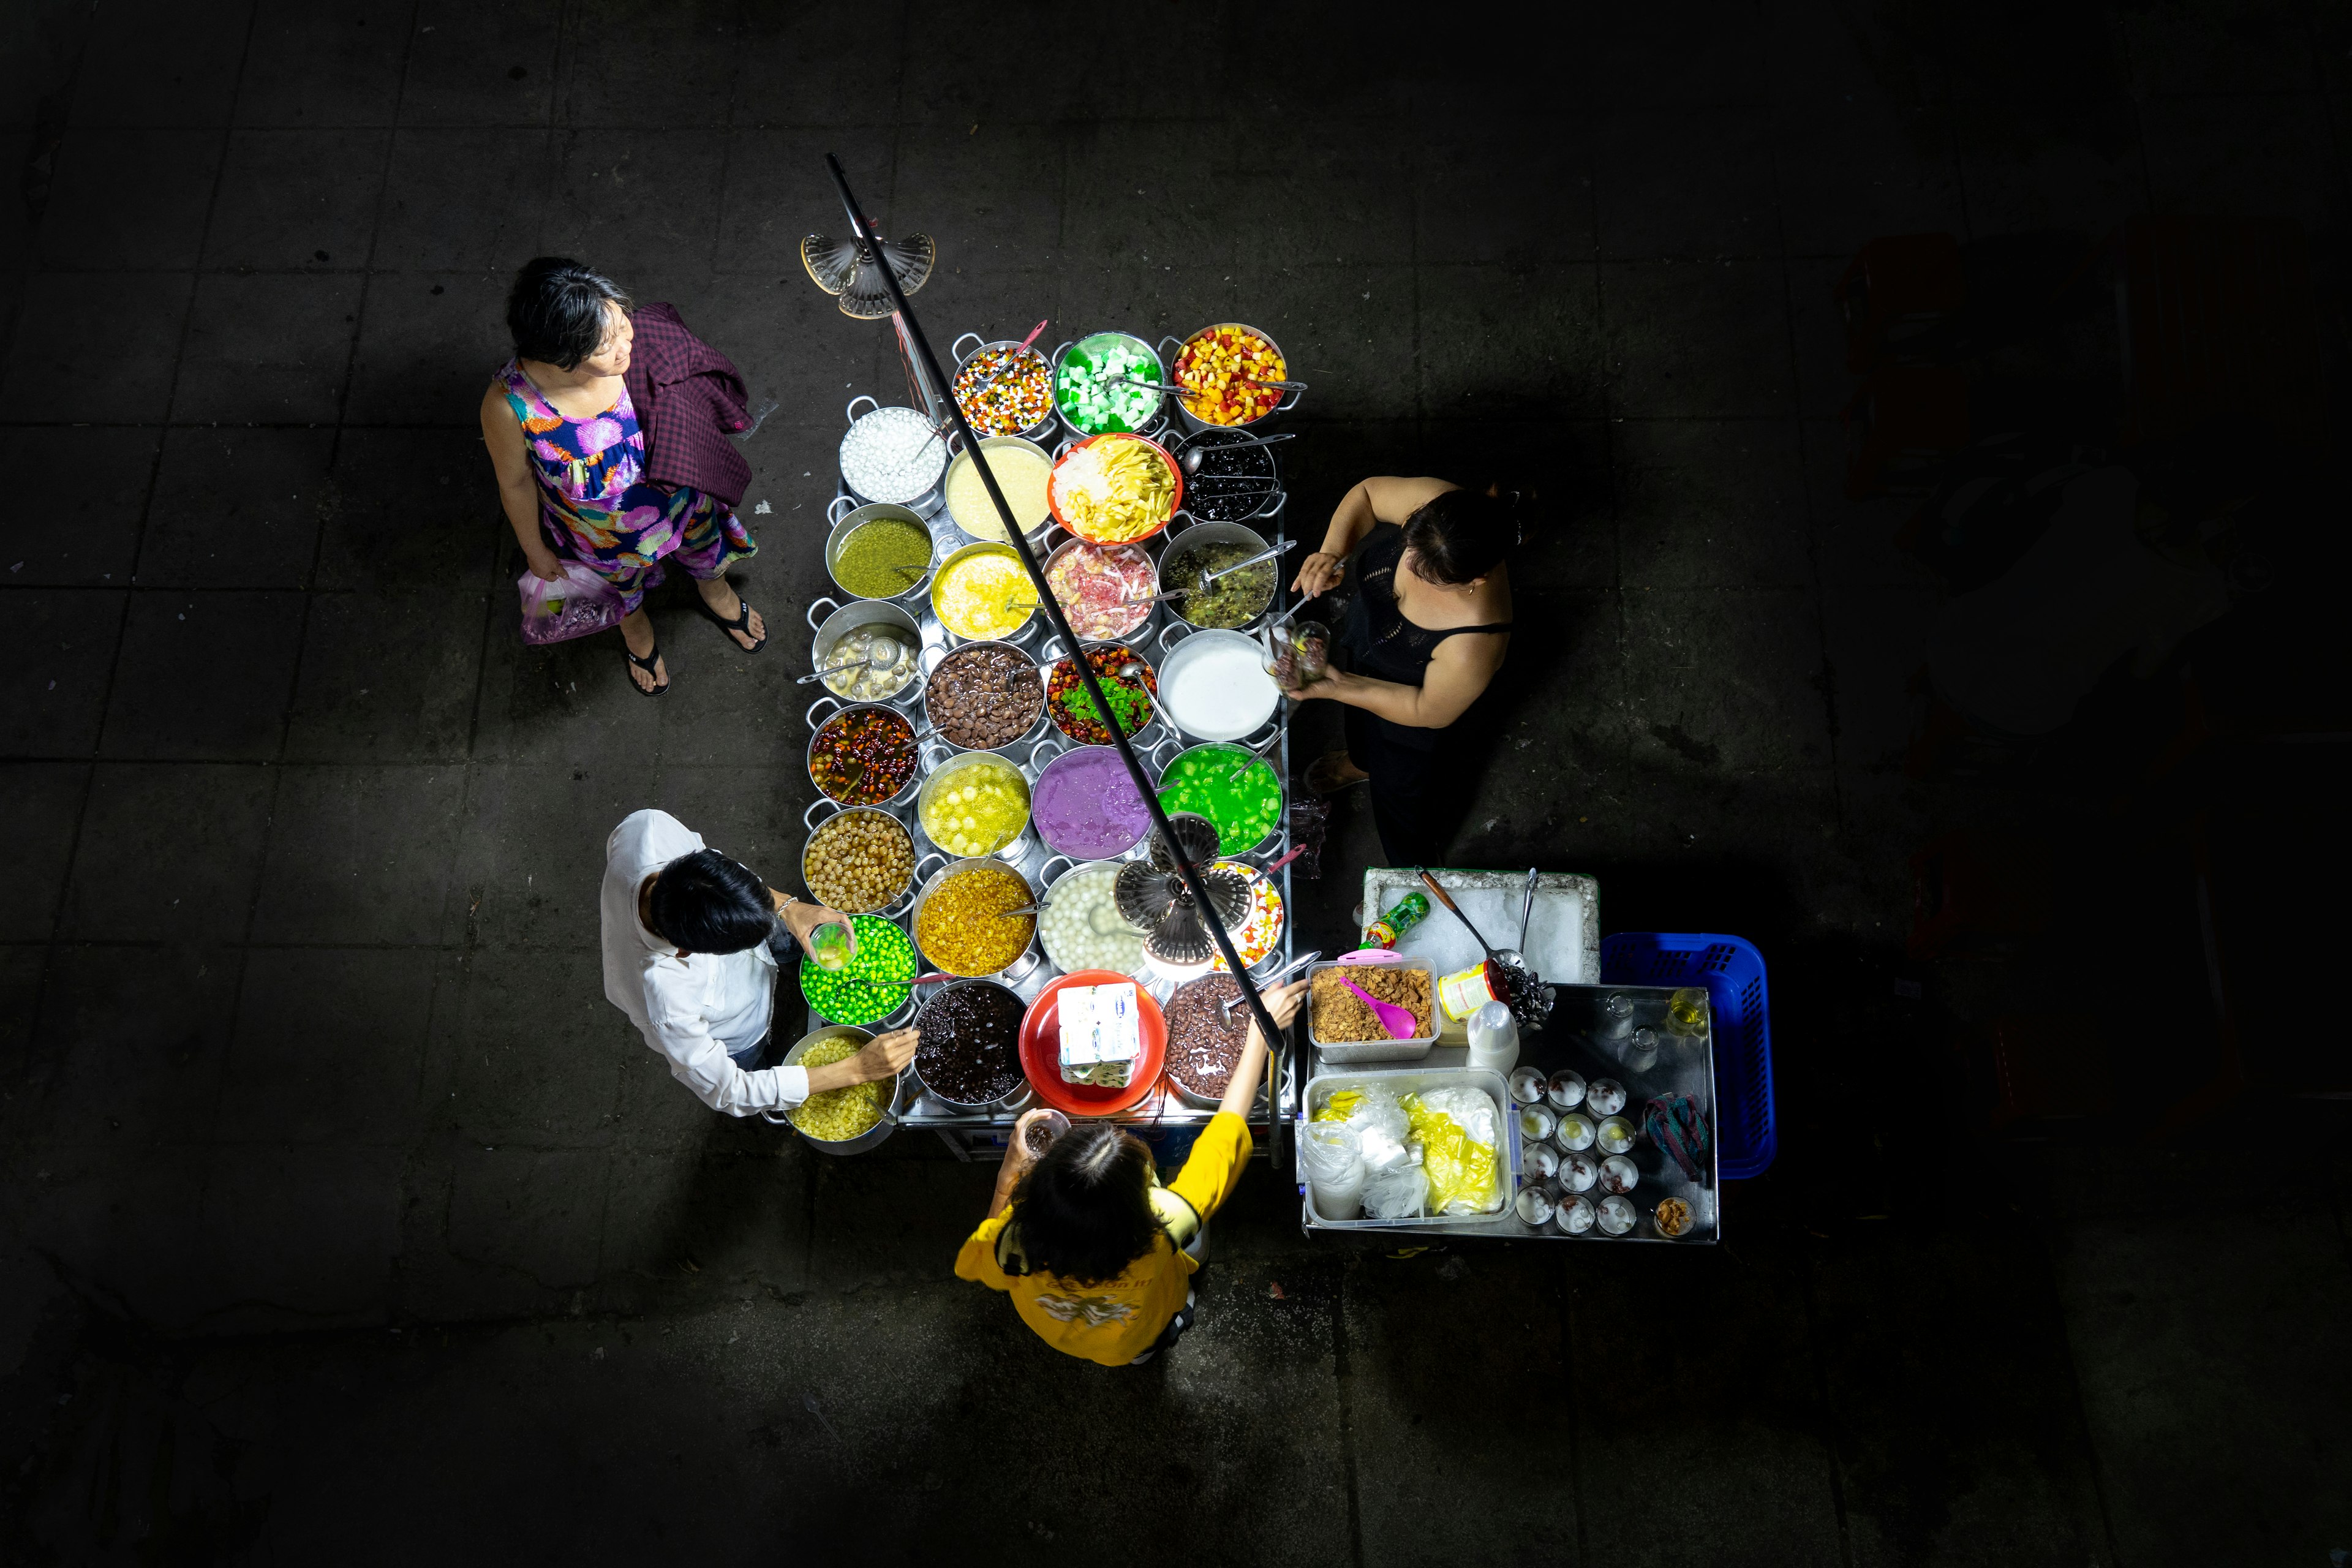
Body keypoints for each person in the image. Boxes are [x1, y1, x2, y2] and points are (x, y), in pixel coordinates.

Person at [955, 981, 1307, 1367]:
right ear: (1146, 1202)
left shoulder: (1014, 1237)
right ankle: (1153, 1345)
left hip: (1059, 1333)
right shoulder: (1169, 1223)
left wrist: (1008, 1175)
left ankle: (1142, 1353)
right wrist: (1260, 1029)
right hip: (1138, 1329)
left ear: (1039, 1187)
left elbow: (978, 1266)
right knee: (1156, 1324)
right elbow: (1228, 1130)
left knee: (1129, 1346)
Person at [481, 258, 764, 698]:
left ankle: (716, 590)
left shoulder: (642, 345)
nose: (626, 344)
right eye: (603, 346)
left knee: (704, 549)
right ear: (560, 358)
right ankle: (635, 631)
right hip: (601, 537)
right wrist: (534, 550)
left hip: (683, 501)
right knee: (621, 591)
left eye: (620, 322)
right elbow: (516, 483)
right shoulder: (511, 407)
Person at [601, 809, 912, 1115]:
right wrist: (858, 1069)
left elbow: (724, 871)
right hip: (740, 1031)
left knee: (783, 940)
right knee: (756, 1063)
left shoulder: (649, 829)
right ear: (685, 951)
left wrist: (789, 908)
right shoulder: (665, 1002)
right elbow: (730, 1091)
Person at [1285, 479, 1521, 867]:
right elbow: (1366, 496)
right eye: (1408, 548)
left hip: (1412, 710)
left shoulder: (1474, 642)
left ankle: (1412, 869)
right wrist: (1332, 552)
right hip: (1372, 649)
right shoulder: (1439, 510)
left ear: (1476, 581)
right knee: (1360, 725)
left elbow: (1427, 711)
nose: (1407, 568)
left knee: (1401, 792)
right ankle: (1361, 762)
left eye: (1430, 576)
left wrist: (1343, 686)